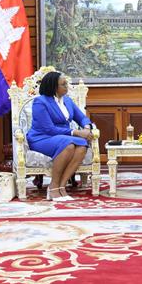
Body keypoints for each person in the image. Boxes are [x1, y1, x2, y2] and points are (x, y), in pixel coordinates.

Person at [27, 71, 94, 201]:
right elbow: (49, 129)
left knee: (82, 146)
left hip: (63, 137)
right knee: (68, 145)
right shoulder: (40, 102)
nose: (67, 86)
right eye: (63, 84)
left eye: (66, 83)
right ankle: (53, 186)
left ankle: (61, 186)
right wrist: (77, 132)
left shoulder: (67, 100)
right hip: (42, 137)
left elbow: (82, 118)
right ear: (53, 87)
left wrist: (86, 128)